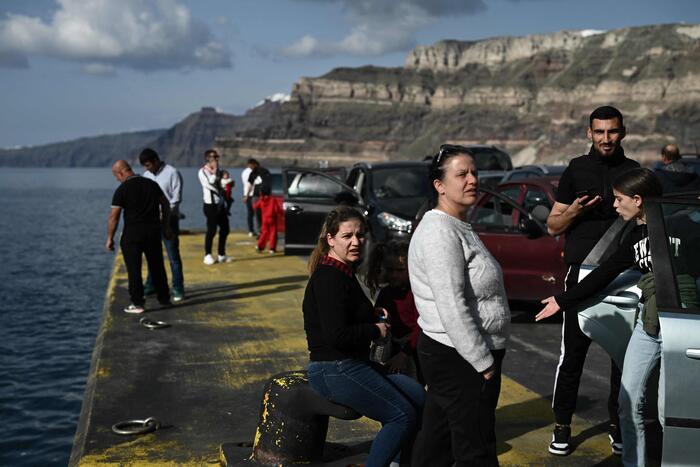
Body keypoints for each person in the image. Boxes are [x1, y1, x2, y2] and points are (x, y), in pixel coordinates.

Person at [536, 168, 699, 466]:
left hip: (680, 327)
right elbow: (604, 273)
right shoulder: (635, 236)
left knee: (668, 411)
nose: (614, 205)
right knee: (628, 402)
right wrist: (562, 299)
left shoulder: (684, 228)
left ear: (637, 200)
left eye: (619, 199)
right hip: (647, 326)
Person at [544, 105, 640, 456]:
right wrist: (576, 211)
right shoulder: (576, 169)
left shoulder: (633, 172)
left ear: (622, 132)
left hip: (624, 275)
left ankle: (619, 424)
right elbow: (553, 226)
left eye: (612, 131)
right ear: (589, 133)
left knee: (623, 359)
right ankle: (562, 426)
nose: (606, 138)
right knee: (572, 358)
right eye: (599, 132)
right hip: (580, 273)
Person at [408, 144, 510, 467]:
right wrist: (484, 363)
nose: (472, 180)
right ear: (439, 185)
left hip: (456, 354)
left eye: (474, 173)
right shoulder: (439, 233)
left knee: (436, 445)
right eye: (462, 174)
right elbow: (451, 306)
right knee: (475, 448)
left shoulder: (456, 225)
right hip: (460, 356)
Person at [303, 206, 425, 467]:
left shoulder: (343, 273)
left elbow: (345, 316)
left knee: (417, 395)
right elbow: (337, 335)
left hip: (351, 365)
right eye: (347, 236)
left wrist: (373, 314)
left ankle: (401, 461)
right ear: (331, 240)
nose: (356, 242)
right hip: (334, 368)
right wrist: (375, 330)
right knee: (401, 416)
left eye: (360, 235)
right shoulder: (329, 278)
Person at [106, 160, 171, 314]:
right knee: (157, 267)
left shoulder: (122, 189)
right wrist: (166, 225)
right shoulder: (151, 184)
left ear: (121, 173)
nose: (117, 179)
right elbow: (166, 205)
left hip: (132, 235)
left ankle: (138, 303)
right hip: (153, 233)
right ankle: (164, 300)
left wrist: (110, 238)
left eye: (116, 176)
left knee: (134, 270)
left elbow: (113, 218)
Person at [365, 240, 423, 383]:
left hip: (414, 350)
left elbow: (421, 327)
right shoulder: (386, 293)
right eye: (390, 270)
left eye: (400, 270)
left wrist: (404, 355)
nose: (395, 275)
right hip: (392, 348)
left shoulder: (416, 293)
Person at [139, 148, 185, 302]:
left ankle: (178, 288)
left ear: (156, 160)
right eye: (144, 166)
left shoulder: (172, 173)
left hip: (169, 220)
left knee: (173, 256)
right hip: (151, 221)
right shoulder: (146, 175)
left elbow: (176, 199)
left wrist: (165, 216)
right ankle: (151, 285)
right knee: (153, 255)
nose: (146, 168)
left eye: (148, 165)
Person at [198, 149, 232, 265]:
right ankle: (207, 255)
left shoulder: (219, 171)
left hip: (220, 204)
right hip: (210, 205)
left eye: (217, 157)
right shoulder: (203, 171)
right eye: (214, 157)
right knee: (211, 230)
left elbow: (223, 183)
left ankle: (221, 254)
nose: (216, 159)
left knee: (225, 229)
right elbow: (209, 183)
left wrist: (228, 182)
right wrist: (215, 171)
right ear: (208, 158)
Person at [253, 186, 283, 254]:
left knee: (264, 233)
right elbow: (277, 209)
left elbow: (255, 206)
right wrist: (281, 214)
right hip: (272, 218)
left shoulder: (261, 199)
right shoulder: (273, 199)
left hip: (264, 219)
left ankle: (260, 246)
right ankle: (272, 248)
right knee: (273, 233)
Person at [246, 158, 271, 231]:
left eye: (250, 166)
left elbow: (269, 183)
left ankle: (265, 229)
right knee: (257, 214)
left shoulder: (264, 171)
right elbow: (250, 185)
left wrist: (267, 194)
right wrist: (247, 195)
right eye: (249, 166)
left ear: (254, 164)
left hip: (265, 195)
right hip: (256, 196)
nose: (250, 168)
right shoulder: (252, 173)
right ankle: (260, 230)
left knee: (265, 213)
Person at [242, 158, 260, 236]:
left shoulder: (244, 172)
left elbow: (246, 184)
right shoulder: (254, 172)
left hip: (246, 194)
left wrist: (245, 195)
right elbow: (252, 184)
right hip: (254, 194)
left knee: (250, 213)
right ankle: (259, 230)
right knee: (258, 213)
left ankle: (251, 230)